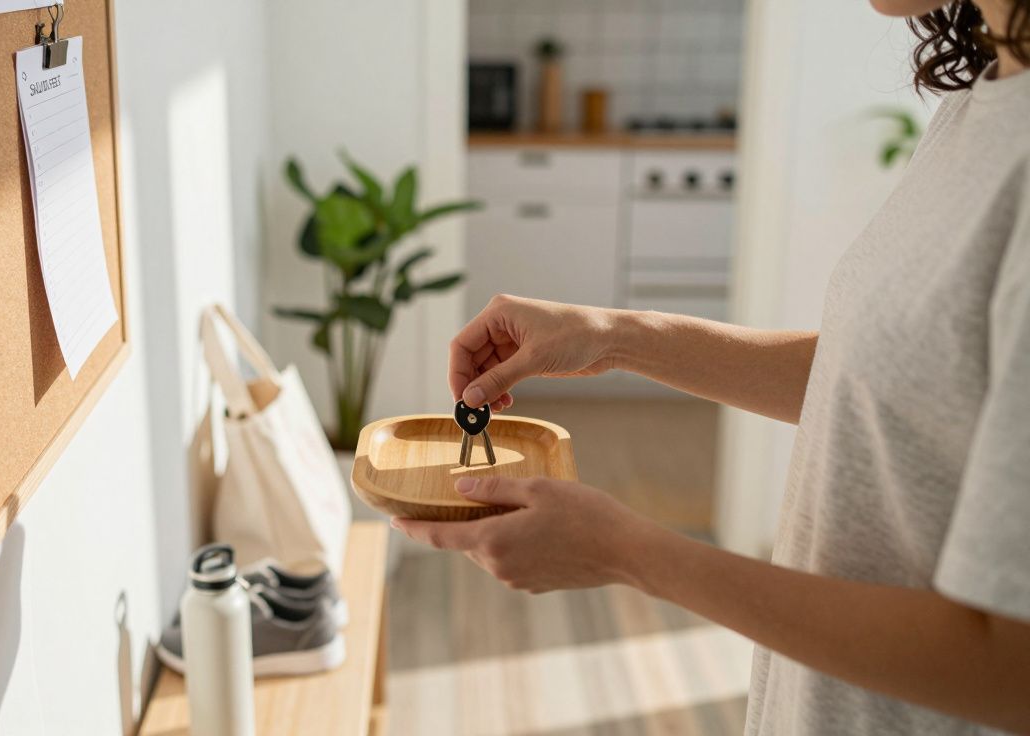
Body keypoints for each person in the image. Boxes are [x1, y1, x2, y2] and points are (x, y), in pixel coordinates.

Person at [390, 0, 1030, 733]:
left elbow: (1012, 665)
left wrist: (628, 554)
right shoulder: (983, 103)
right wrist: (613, 336)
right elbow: (895, 385)